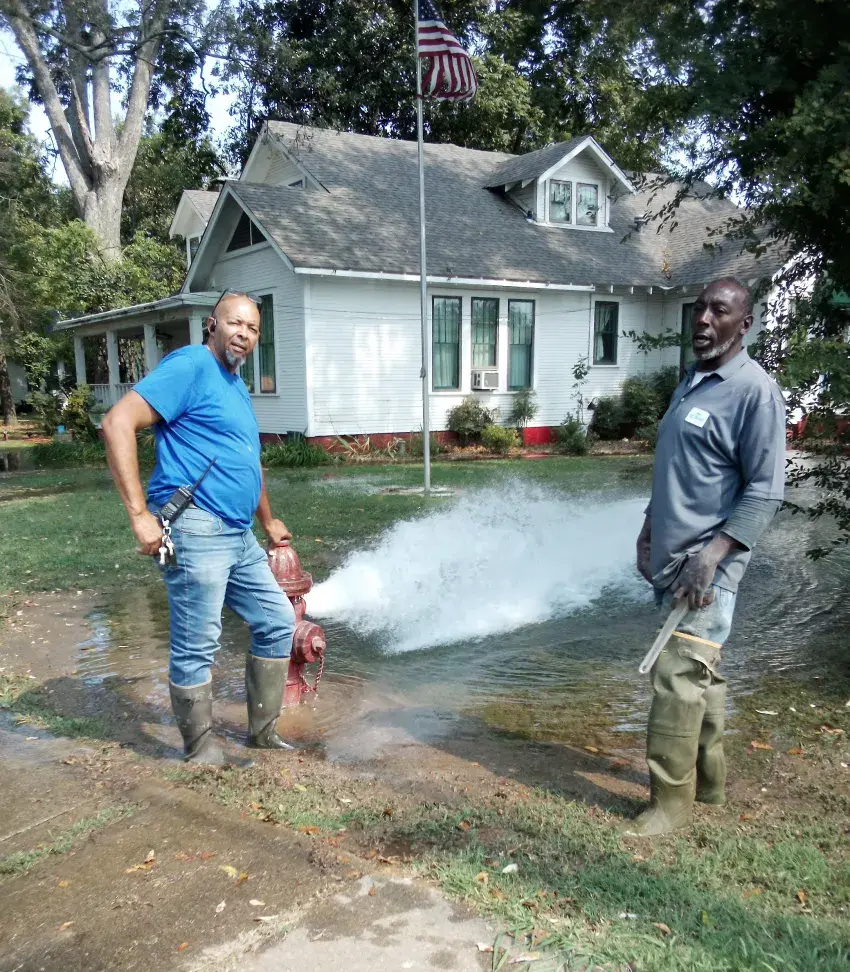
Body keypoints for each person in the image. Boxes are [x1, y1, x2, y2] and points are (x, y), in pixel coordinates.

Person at [621, 278, 786, 836]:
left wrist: (712, 555)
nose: (704, 320)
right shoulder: (693, 381)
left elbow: (765, 490)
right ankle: (710, 786)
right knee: (702, 673)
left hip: (706, 564)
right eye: (699, 309)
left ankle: (669, 805)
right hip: (675, 555)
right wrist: (649, 526)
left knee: (677, 677)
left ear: (745, 324)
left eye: (720, 311)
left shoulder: (754, 392)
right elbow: (676, 465)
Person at [102, 291, 296, 765]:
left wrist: (267, 519)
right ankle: (201, 749)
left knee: (277, 621)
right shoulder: (190, 366)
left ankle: (263, 733)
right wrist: (139, 516)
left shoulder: (236, 386)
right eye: (235, 323)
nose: (244, 334)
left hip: (238, 534)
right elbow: (116, 423)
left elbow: (246, 458)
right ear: (212, 324)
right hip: (197, 528)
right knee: (197, 644)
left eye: (253, 329)